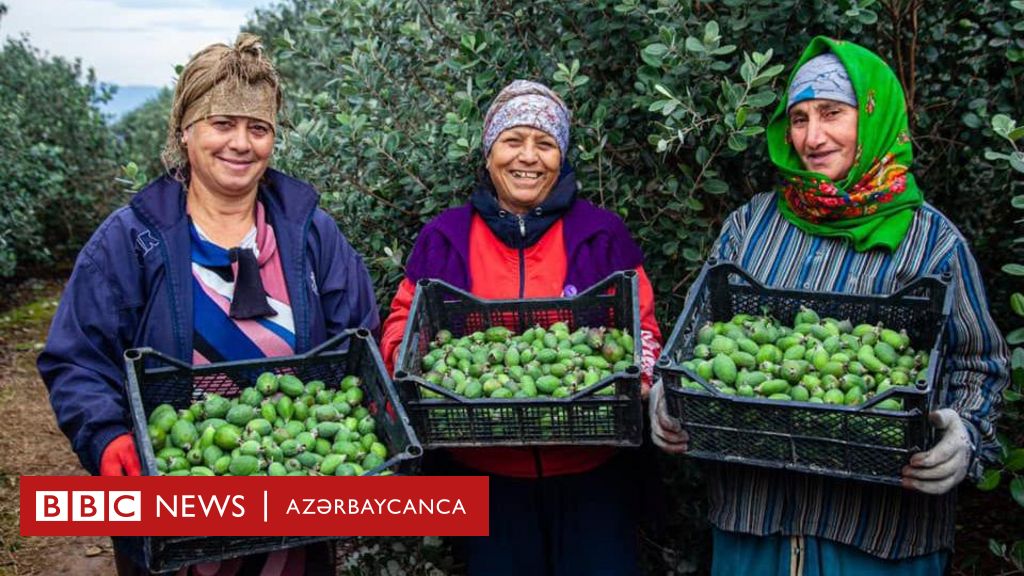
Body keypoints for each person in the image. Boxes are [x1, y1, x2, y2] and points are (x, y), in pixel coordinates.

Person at [649, 36, 1009, 575]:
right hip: (755, 523)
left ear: (872, 115)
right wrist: (667, 391)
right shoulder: (752, 227)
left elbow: (980, 363)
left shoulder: (932, 242)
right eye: (798, 118)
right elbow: (698, 333)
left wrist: (966, 431)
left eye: (832, 113)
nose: (812, 138)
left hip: (881, 538)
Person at [38, 34, 379, 575]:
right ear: (185, 130)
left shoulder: (311, 233)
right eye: (223, 124)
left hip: (296, 513)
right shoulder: (132, 241)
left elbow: (359, 336)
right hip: (174, 518)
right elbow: (77, 357)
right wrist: (106, 436)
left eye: (258, 128)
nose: (240, 144)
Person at [379, 79, 663, 575]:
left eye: (545, 143)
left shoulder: (600, 233)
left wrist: (641, 374)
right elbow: (404, 322)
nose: (527, 157)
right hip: (483, 475)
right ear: (489, 153)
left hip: (592, 472)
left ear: (562, 155)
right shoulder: (445, 236)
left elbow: (640, 325)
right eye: (513, 141)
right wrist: (409, 359)